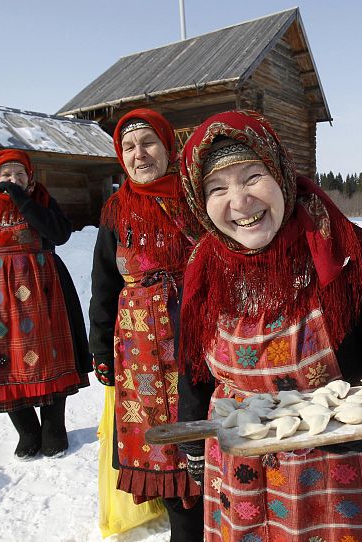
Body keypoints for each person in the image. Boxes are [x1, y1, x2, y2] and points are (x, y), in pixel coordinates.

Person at [176, 110, 362, 542]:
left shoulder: (350, 254)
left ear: (281, 175)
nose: (239, 202)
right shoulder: (202, 268)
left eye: (253, 177)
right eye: (217, 188)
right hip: (240, 470)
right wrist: (191, 444)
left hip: (341, 470)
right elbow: (194, 367)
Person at [88, 108, 204, 541]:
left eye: (148, 142)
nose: (139, 154)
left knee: (205, 430)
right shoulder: (116, 211)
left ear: (167, 147)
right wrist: (100, 351)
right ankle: (185, 528)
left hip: (198, 333)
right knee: (161, 444)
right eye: (129, 147)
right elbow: (103, 287)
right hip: (141, 352)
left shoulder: (196, 197)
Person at [0, 149, 91, 460]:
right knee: (3, 362)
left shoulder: (43, 203)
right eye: (6, 176)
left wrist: (25, 201)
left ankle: (53, 429)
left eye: (19, 175)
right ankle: (27, 431)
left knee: (50, 358)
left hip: (43, 294)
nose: (13, 180)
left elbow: (60, 234)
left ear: (30, 177)